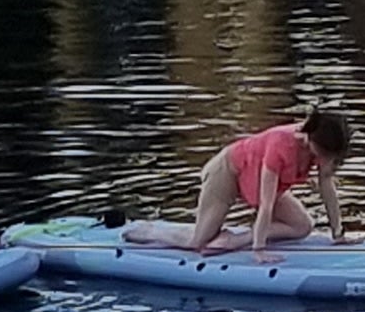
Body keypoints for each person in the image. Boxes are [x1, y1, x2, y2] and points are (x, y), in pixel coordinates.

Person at [141, 108, 354, 255]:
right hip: (228, 172)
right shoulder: (281, 145)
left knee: (302, 226)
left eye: (331, 155)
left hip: (255, 181)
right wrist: (258, 249)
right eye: (325, 153)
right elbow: (266, 203)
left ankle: (235, 239)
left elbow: (327, 187)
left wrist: (338, 233)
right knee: (197, 242)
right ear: (311, 138)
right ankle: (148, 231)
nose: (327, 160)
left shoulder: (322, 152)